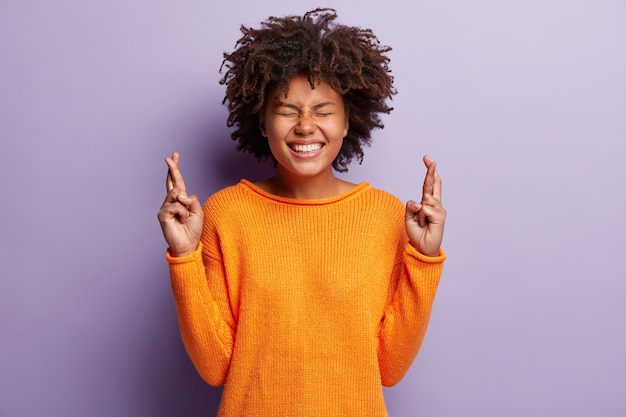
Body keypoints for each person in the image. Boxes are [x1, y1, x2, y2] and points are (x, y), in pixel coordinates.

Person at [158, 7, 446, 416]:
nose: (306, 126)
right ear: (262, 122)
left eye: (324, 111)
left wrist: (425, 259)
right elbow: (215, 367)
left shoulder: (384, 215)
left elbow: (390, 368)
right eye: (287, 110)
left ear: (348, 122)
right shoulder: (227, 214)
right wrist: (184, 257)